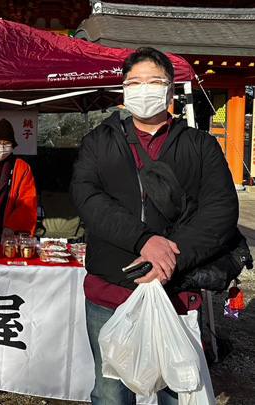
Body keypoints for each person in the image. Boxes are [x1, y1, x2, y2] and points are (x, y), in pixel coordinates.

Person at [69, 47, 238, 404]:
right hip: (110, 292)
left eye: (154, 81)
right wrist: (145, 241)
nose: (143, 89)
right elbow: (87, 198)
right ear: (123, 89)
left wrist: (169, 258)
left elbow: (220, 210)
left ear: (170, 89)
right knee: (110, 391)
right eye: (134, 82)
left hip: (176, 290)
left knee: (178, 389)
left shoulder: (201, 145)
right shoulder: (98, 142)